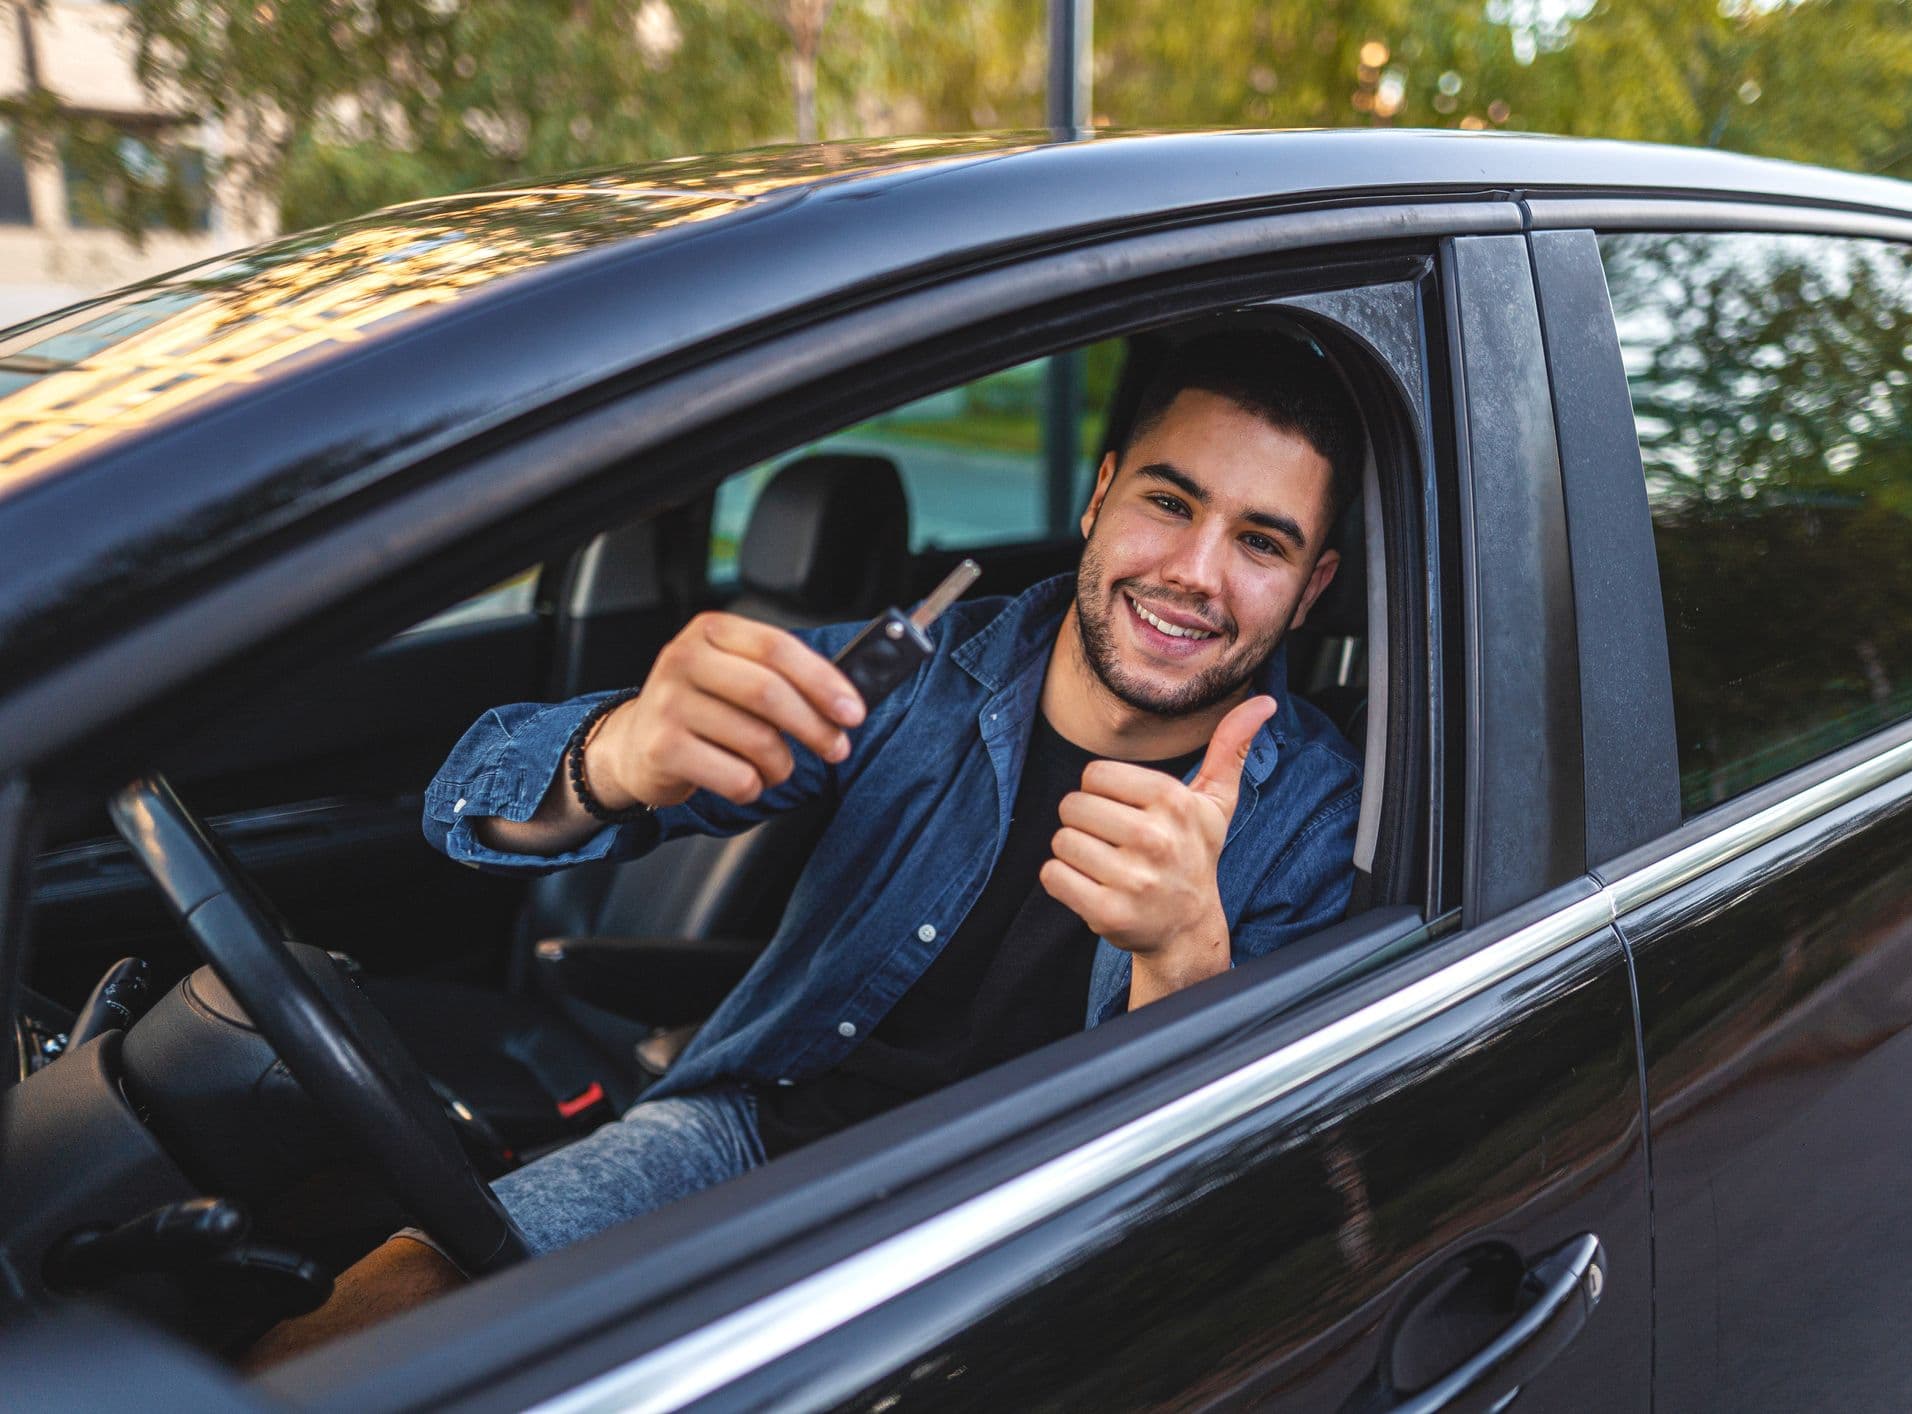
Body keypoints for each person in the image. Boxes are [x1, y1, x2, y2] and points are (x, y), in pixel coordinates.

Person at [247, 328, 1367, 1358]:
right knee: (372, 1326)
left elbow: (1240, 1206)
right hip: (749, 1141)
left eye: (1261, 541)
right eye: (1170, 502)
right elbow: (462, 808)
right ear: (1099, 492)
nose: (1195, 572)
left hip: (1033, 1227)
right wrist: (619, 757)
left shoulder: (1314, 805)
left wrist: (1181, 958)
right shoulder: (920, 669)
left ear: (1311, 588)